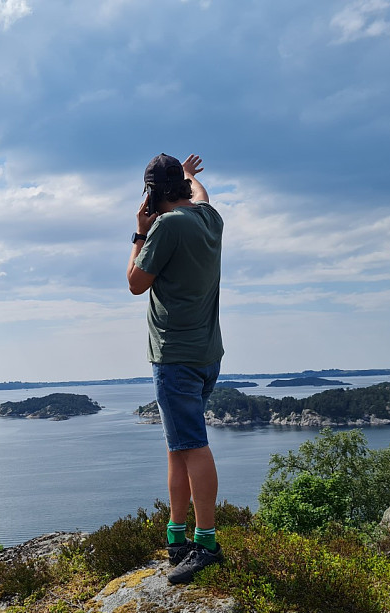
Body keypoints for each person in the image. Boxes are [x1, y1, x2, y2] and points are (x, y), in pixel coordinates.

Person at [127, 153, 225, 585]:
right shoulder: (209, 219)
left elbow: (135, 282)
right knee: (178, 445)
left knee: (193, 445)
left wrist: (138, 232)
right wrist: (189, 177)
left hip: (174, 355)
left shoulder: (165, 227)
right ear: (183, 190)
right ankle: (176, 534)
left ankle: (205, 545)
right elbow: (201, 196)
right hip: (206, 354)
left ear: (150, 194)